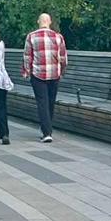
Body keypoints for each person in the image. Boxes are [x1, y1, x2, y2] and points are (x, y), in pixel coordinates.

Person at [22, 13, 67, 143]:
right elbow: (63, 57)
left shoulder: (31, 36)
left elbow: (27, 56)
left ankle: (46, 132)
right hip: (54, 74)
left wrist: (27, 71)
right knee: (50, 102)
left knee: (42, 102)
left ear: (38, 21)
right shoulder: (58, 37)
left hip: (38, 75)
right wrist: (62, 71)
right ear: (50, 22)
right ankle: (47, 129)